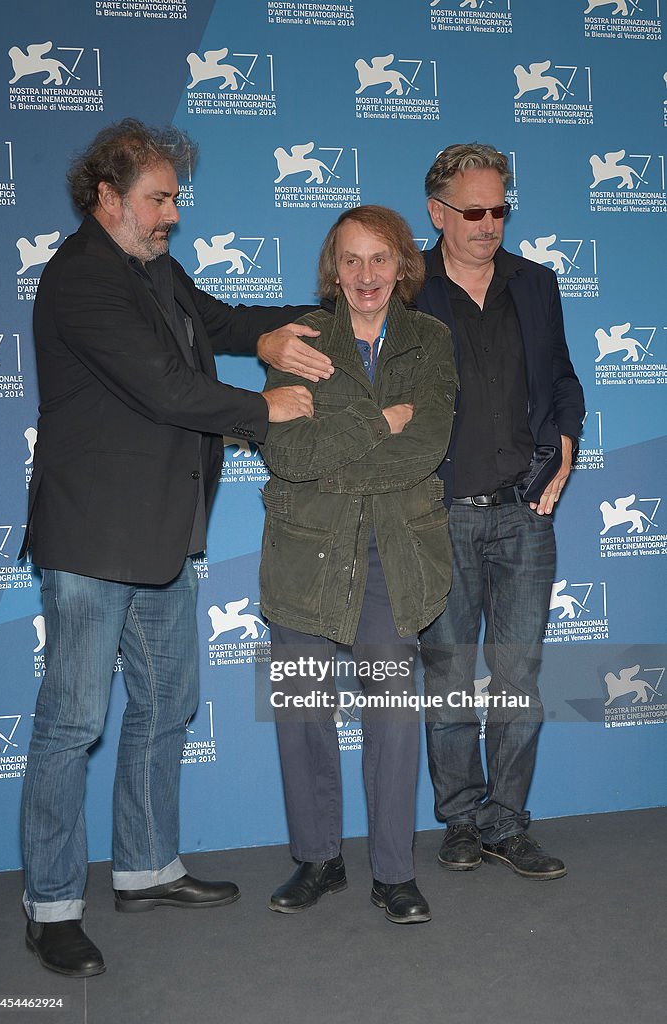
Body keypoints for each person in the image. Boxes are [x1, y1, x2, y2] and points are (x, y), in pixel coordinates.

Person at [19, 118, 333, 978]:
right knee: (71, 723)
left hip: (161, 533)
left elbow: (224, 323)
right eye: (157, 200)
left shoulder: (154, 268)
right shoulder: (83, 279)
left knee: (167, 708)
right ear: (107, 198)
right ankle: (50, 904)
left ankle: (147, 868)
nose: (172, 216)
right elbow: (162, 390)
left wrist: (321, 318)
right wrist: (264, 407)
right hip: (91, 540)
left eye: (175, 200)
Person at [259, 206, 457, 923]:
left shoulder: (431, 339)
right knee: (304, 710)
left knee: (394, 717)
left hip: (392, 550)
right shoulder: (300, 341)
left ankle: (394, 873)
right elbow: (284, 452)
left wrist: (337, 451)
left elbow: (426, 443)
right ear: (332, 269)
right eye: (351, 260)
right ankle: (317, 860)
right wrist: (380, 420)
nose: (366, 275)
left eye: (380, 259)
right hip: (305, 545)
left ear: (403, 265)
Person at [417, 143, 585, 879]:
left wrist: (569, 445)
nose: (489, 224)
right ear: (437, 212)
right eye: (473, 211)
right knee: (450, 677)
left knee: (518, 678)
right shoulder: (404, 287)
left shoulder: (536, 284)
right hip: (441, 514)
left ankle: (506, 822)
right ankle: (459, 818)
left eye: (499, 210)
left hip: (526, 513)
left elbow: (565, 380)